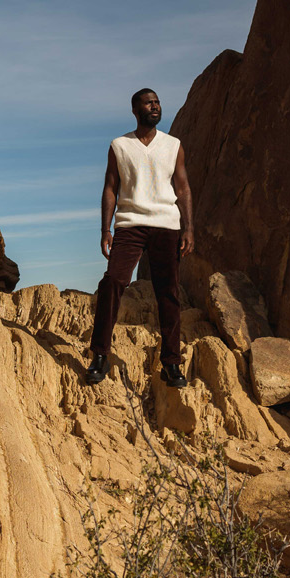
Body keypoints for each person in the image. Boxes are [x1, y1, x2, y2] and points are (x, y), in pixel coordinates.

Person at [85, 87, 193, 386]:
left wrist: (189, 227)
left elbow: (183, 188)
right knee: (113, 282)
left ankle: (171, 363)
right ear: (136, 110)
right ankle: (100, 356)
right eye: (149, 103)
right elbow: (110, 187)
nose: (155, 106)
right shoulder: (119, 145)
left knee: (168, 292)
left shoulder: (173, 145)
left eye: (157, 102)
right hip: (129, 224)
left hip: (166, 225)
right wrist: (106, 229)